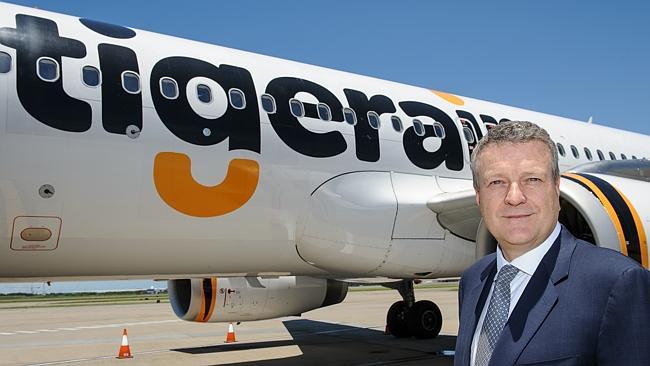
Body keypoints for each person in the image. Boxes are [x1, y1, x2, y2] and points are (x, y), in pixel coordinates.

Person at [454, 121, 650, 366]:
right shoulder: (473, 280)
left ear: (556, 188)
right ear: (479, 196)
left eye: (532, 179)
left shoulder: (617, 282)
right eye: (497, 182)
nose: (514, 197)